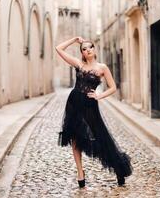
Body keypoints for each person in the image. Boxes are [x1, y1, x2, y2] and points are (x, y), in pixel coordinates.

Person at [55, 37, 132, 188]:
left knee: (101, 137)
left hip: (90, 105)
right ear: (82, 53)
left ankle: (118, 168)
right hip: (74, 103)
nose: (88, 50)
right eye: (84, 48)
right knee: (75, 137)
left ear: (94, 49)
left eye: (90, 47)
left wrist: (99, 96)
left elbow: (112, 87)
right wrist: (74, 40)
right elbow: (58, 49)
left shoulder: (102, 68)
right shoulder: (79, 64)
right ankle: (80, 172)